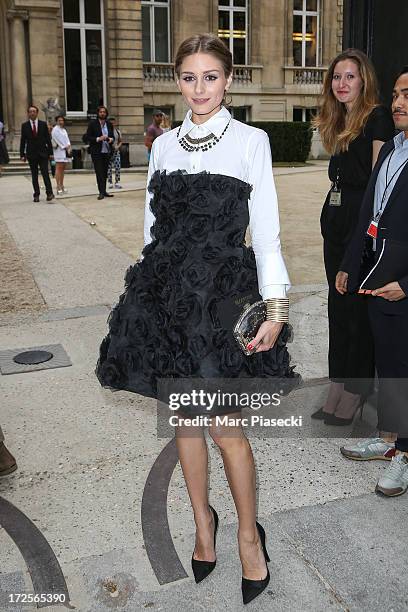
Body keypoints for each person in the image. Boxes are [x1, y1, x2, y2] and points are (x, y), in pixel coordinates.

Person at [96, 34, 299, 605]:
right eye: (190, 77)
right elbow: (151, 235)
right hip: (168, 304)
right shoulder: (162, 148)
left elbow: (269, 236)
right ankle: (203, 525)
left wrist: (275, 309)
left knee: (226, 430)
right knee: (184, 422)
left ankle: (247, 536)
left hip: (222, 305)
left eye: (211, 76)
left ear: (228, 80)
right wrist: (145, 303)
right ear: (177, 81)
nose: (200, 88)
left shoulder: (251, 142)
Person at [312, 49, 395, 425]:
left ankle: (356, 392)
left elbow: (380, 185)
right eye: (337, 77)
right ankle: (338, 384)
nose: (342, 84)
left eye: (350, 76)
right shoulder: (339, 120)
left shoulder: (377, 117)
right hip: (336, 225)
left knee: (355, 312)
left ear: (364, 81)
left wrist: (365, 238)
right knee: (337, 308)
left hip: (361, 225)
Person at [338, 66, 408, 496]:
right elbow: (370, 212)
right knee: (389, 364)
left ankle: (403, 454)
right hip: (379, 271)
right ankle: (388, 440)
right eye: (398, 93)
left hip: (404, 280)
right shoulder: (391, 150)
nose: (399, 103)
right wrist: (350, 263)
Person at [20, 105, 55, 202]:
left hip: (43, 153)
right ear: (28, 113)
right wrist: (22, 154)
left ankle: (49, 193)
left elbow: (48, 139)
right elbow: (23, 141)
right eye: (30, 111)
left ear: (37, 113)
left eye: (34, 111)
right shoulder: (25, 126)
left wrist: (51, 153)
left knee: (45, 174)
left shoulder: (43, 124)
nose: (32, 113)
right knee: (34, 175)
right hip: (31, 154)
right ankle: (36, 194)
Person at [86, 105, 115, 200]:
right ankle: (101, 192)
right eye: (101, 112)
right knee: (99, 172)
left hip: (106, 151)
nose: (102, 113)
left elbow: (113, 137)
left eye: (104, 112)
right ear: (98, 113)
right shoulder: (92, 124)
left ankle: (104, 190)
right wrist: (98, 138)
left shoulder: (109, 124)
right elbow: (87, 137)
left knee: (105, 172)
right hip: (97, 152)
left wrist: (110, 139)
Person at [51, 115, 71, 195]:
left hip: (65, 151)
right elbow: (57, 139)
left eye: (62, 120)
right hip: (59, 150)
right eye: (59, 120)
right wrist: (64, 146)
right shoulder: (55, 130)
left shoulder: (63, 130)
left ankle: (62, 184)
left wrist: (69, 146)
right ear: (56, 121)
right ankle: (58, 186)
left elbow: (67, 139)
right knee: (58, 168)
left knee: (63, 168)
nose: (61, 122)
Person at [107, 117, 122, 190]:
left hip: (116, 152)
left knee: (117, 167)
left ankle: (117, 181)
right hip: (108, 152)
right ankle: (109, 182)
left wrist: (118, 147)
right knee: (108, 168)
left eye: (113, 123)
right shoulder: (106, 132)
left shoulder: (117, 132)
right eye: (110, 123)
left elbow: (120, 141)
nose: (112, 124)